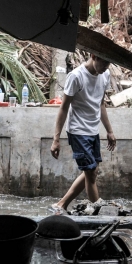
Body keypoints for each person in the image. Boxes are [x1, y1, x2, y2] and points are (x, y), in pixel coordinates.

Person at [49, 52, 116, 215]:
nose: (106, 68)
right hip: (78, 131)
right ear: (94, 56)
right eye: (104, 64)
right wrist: (56, 139)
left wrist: (109, 130)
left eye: (108, 65)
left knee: (91, 171)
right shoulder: (76, 76)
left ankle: (61, 204)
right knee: (91, 173)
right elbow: (63, 107)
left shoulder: (105, 74)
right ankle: (98, 210)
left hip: (93, 131)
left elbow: (100, 104)